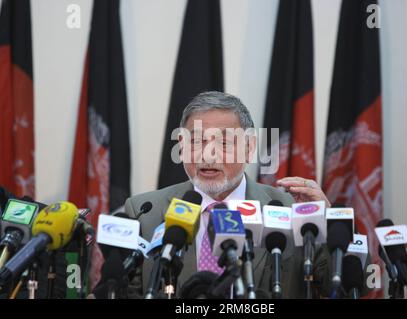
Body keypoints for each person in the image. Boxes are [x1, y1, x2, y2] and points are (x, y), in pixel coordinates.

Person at [124, 91, 332, 298]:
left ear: (249, 147)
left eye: (224, 143)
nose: (208, 154)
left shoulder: (289, 210)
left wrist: (328, 222)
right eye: (197, 141)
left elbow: (349, 285)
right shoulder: (145, 212)